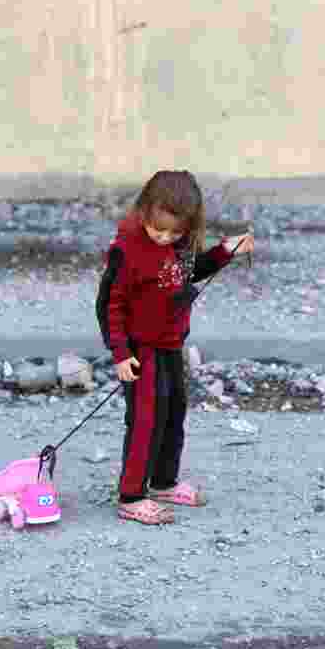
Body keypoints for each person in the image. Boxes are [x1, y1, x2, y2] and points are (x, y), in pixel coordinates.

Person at [95, 170, 254, 525]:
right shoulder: (128, 250)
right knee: (145, 419)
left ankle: (164, 481)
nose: (165, 238)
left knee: (173, 414)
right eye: (158, 229)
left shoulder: (179, 242)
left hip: (169, 343)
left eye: (175, 232)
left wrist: (225, 251)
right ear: (144, 212)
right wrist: (120, 352)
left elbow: (189, 272)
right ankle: (132, 495)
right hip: (140, 349)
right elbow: (111, 305)